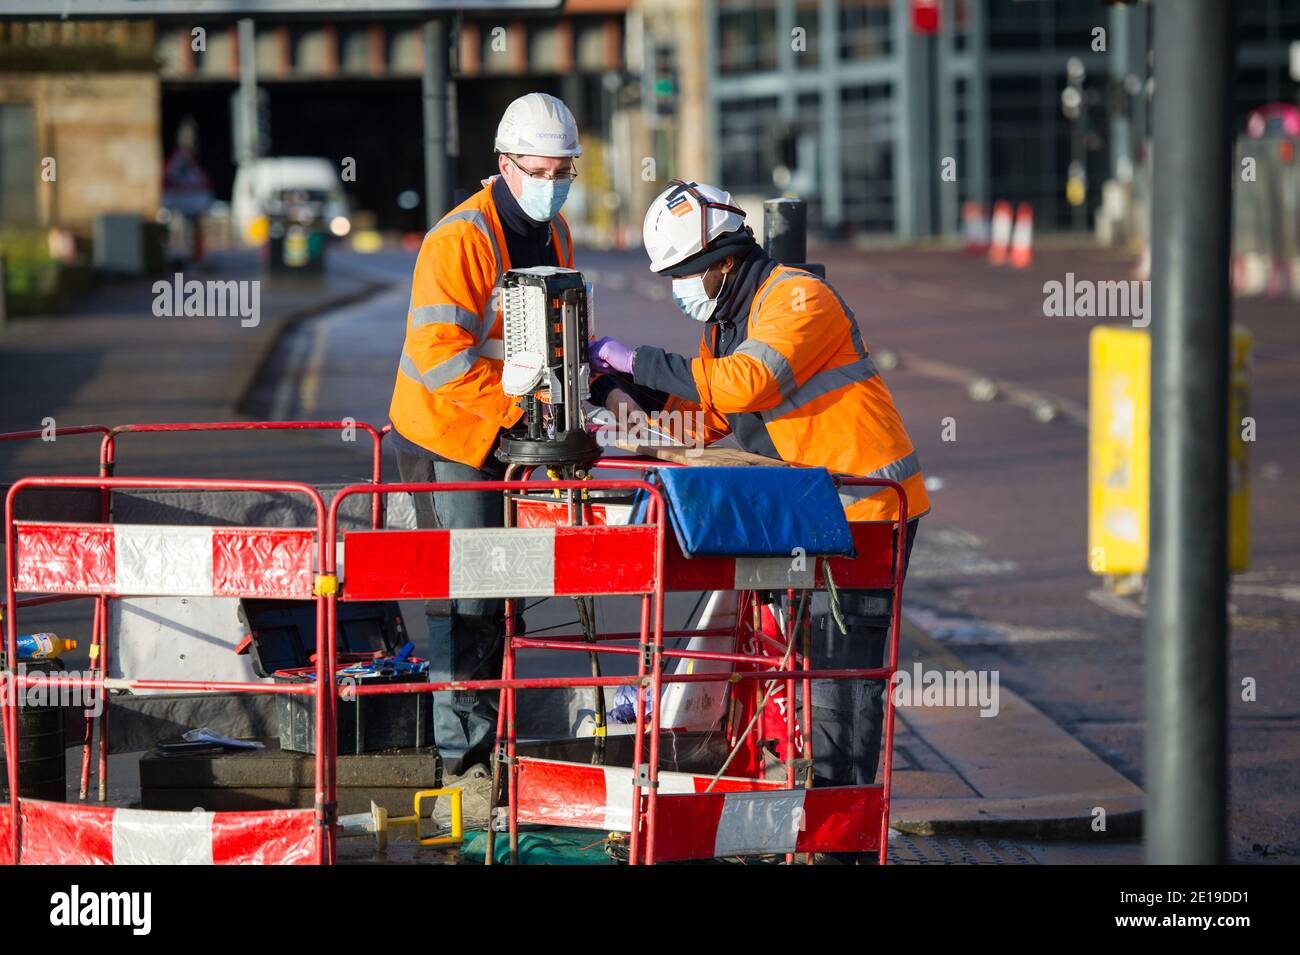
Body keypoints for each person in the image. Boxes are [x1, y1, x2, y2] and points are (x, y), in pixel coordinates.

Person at [590, 179, 930, 807]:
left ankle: (843, 824)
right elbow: (710, 418)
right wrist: (627, 402)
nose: (679, 289)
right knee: (804, 663)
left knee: (843, 676)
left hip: (865, 509)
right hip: (807, 511)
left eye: (684, 274)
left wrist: (638, 360)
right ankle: (815, 803)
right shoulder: (725, 325)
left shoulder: (798, 297)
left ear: (722, 262)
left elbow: (748, 384)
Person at [387, 92, 581, 797]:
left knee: (505, 588)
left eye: (563, 172)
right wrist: (518, 407)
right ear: (504, 164)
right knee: (468, 591)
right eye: (539, 171)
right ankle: (461, 763)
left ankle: (495, 743)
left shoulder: (554, 231)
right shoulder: (460, 239)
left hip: (506, 431)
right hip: (447, 433)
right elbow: (439, 357)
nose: (552, 185)